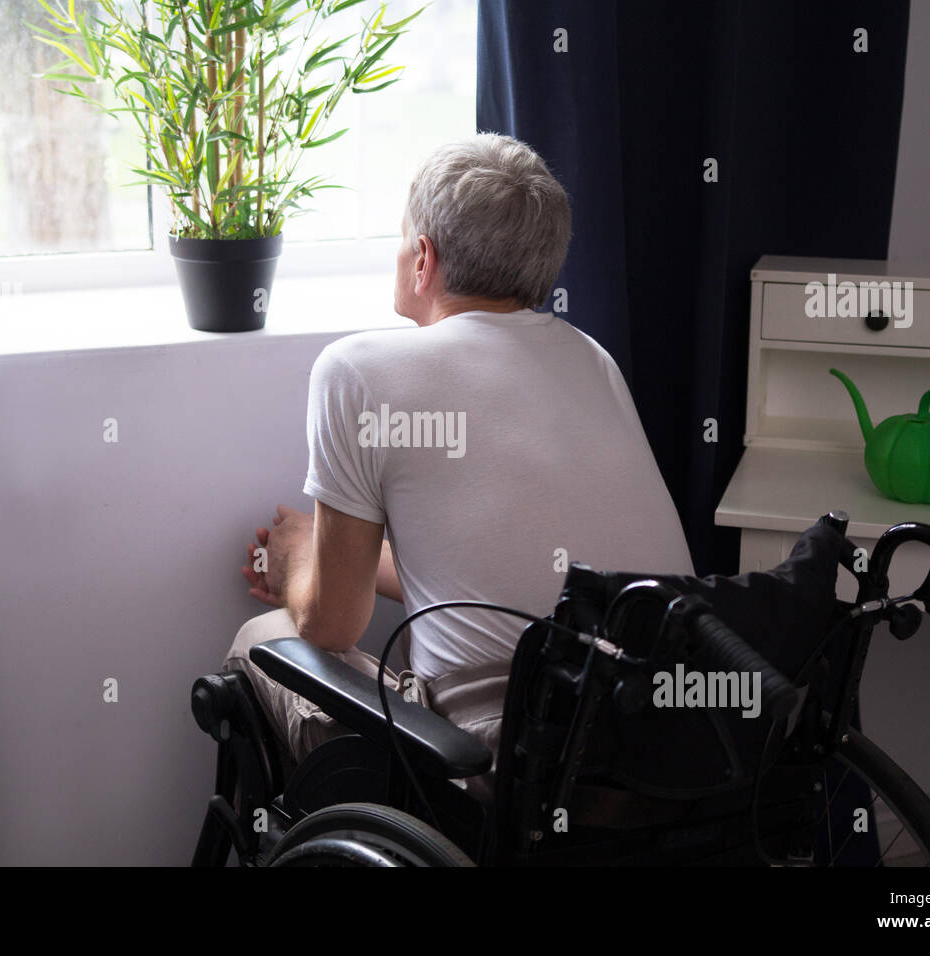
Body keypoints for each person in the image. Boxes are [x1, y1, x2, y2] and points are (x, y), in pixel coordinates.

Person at [227, 132, 693, 790]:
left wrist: (297, 565)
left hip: (508, 770)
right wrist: (333, 555)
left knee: (263, 638)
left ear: (423, 259)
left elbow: (330, 625)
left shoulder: (356, 369)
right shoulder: (592, 358)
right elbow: (503, 564)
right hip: (663, 746)